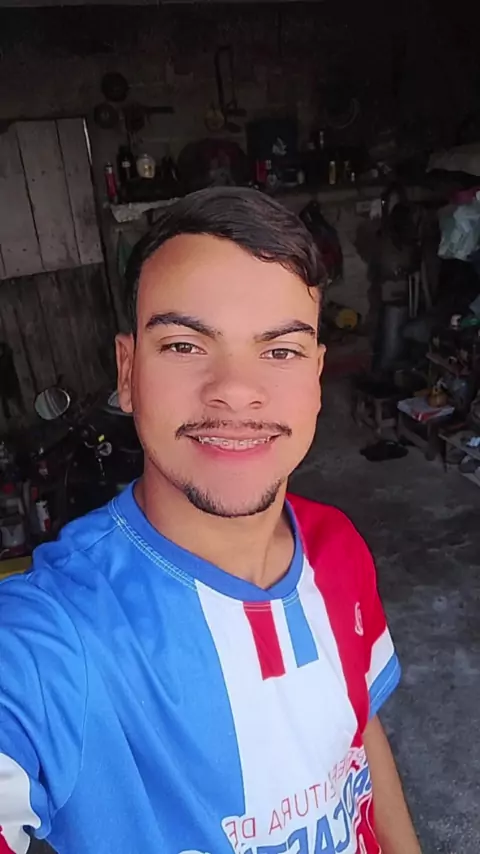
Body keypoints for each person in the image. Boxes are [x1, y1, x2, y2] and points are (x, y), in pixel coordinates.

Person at [0, 188, 420, 854]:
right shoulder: (53, 641)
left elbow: (359, 731)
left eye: (279, 351)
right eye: (184, 344)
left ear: (316, 377)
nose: (234, 389)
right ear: (128, 372)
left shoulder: (336, 546)